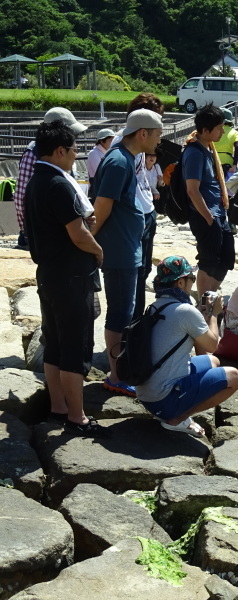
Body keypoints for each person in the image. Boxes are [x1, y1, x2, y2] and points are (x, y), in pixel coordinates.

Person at [25, 120, 106, 437]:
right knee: (75, 347)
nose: (76, 156)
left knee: (54, 342)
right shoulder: (59, 185)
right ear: (59, 151)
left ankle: (58, 408)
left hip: (49, 274)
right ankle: (77, 416)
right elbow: (78, 233)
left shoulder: (35, 181)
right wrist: (98, 250)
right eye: (74, 150)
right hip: (72, 276)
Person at [93, 108, 163, 397]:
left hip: (128, 247)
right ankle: (115, 375)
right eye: (158, 135)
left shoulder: (128, 158)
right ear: (143, 134)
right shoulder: (119, 161)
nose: (159, 141)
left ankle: (120, 370)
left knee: (125, 311)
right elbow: (102, 207)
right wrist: (90, 244)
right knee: (119, 314)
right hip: (119, 252)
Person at [135, 256, 238, 438]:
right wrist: (214, 314)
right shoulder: (185, 311)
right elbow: (212, 344)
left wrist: (200, 316)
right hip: (164, 400)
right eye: (191, 279)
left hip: (146, 395)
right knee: (234, 377)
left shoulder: (155, 307)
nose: (192, 283)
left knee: (213, 362)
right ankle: (180, 419)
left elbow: (205, 352)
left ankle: (179, 408)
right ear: (180, 282)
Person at [119, 93, 166, 322]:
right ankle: (130, 326)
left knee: (144, 271)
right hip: (134, 217)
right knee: (133, 274)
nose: (159, 131)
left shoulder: (140, 148)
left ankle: (137, 322)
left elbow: (141, 179)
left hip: (148, 213)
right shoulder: (121, 145)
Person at [12, 107, 87, 251]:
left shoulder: (66, 150)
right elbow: (22, 196)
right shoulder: (33, 153)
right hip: (46, 231)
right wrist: (27, 231)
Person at [184, 104, 235, 297]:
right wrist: (208, 217)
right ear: (205, 130)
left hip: (218, 213)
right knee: (208, 260)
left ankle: (210, 296)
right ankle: (205, 303)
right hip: (206, 215)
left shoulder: (208, 149)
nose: (223, 131)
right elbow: (192, 190)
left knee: (226, 258)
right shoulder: (195, 153)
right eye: (219, 128)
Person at [216, 107, 238, 179]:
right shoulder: (234, 132)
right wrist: (234, 165)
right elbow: (237, 147)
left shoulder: (214, 130)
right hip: (227, 164)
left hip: (212, 161)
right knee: (225, 188)